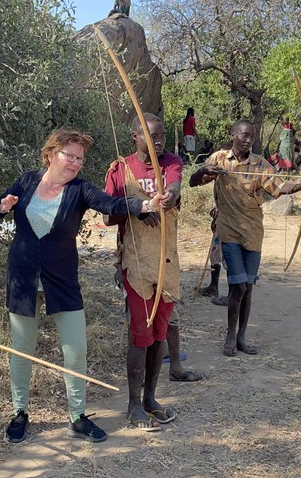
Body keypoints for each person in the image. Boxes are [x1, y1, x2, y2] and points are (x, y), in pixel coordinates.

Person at [0, 129, 166, 444]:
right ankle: (20, 413)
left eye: (79, 158)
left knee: (76, 351)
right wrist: (1, 207)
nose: (74, 163)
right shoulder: (27, 180)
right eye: (69, 155)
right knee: (22, 348)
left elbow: (111, 204)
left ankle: (77, 417)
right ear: (51, 155)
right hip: (23, 278)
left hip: (62, 280)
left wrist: (145, 205)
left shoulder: (80, 189)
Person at [189, 119, 301, 356]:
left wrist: (300, 185)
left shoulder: (260, 164)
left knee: (247, 286)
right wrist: (203, 171)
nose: (248, 140)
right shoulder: (220, 159)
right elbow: (194, 182)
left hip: (253, 232)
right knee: (237, 285)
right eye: (244, 135)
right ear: (233, 134)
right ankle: (230, 334)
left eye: (251, 137)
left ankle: (242, 337)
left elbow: (279, 187)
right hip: (229, 230)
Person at [104, 113, 187, 431]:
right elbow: (108, 211)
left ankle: (151, 399)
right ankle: (132, 405)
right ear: (135, 138)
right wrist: (138, 207)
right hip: (136, 264)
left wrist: (169, 196)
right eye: (151, 136)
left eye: (161, 135)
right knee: (140, 334)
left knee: (159, 333)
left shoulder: (171, 162)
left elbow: (176, 184)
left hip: (166, 262)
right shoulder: (120, 168)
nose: (158, 142)